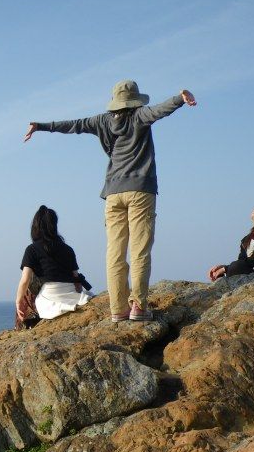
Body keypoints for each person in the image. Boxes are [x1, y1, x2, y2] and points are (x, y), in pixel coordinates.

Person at [24, 80, 197, 322]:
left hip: (113, 193)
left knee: (114, 253)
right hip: (140, 190)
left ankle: (118, 309)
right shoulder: (139, 115)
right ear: (134, 100)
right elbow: (160, 110)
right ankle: (137, 306)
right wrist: (180, 98)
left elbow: (73, 125)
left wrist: (42, 126)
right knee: (139, 251)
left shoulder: (102, 121)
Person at [15, 205, 92, 323]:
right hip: (70, 292)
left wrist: (18, 301)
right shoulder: (68, 249)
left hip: (50, 294)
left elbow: (25, 280)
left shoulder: (32, 249)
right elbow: (76, 278)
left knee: (34, 292)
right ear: (54, 225)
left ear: (35, 226)